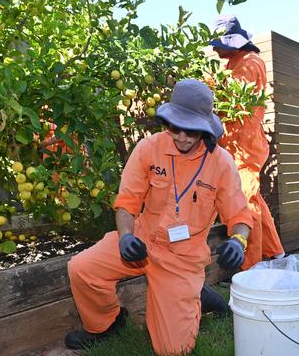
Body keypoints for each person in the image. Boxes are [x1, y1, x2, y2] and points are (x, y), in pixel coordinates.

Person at [65, 79, 253, 355]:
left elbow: (240, 215)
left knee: (172, 350)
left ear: (205, 129)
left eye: (191, 131)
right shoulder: (148, 149)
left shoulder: (221, 164)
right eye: (175, 127)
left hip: (182, 257)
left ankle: (195, 293)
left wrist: (238, 241)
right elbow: (127, 203)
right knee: (82, 268)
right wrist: (126, 237)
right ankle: (106, 325)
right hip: (141, 240)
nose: (181, 137)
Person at [209, 14, 285, 270]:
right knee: (253, 200)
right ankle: (275, 253)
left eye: (217, 43)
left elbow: (231, 97)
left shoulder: (249, 62)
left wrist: (204, 86)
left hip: (244, 149)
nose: (214, 48)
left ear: (232, 42)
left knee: (244, 205)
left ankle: (249, 267)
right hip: (238, 147)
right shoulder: (235, 62)